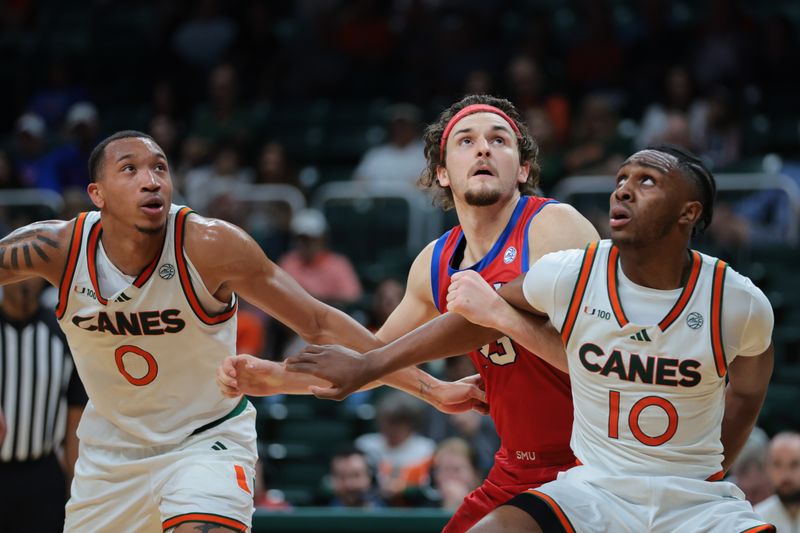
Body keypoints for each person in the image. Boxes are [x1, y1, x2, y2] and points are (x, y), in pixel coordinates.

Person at [0, 130, 482, 532]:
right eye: (130, 169)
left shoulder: (210, 244)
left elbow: (320, 322)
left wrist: (433, 388)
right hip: (109, 455)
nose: (151, 181)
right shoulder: (54, 248)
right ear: (96, 194)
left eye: (161, 168)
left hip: (204, 439)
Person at [284, 145, 775, 532]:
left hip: (694, 501)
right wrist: (370, 365)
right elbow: (475, 320)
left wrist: (712, 466)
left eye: (646, 181)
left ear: (688, 212)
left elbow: (750, 391)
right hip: (593, 491)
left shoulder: (737, 302)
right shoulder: (575, 273)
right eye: (621, 179)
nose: (623, 191)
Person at [225, 94, 599, 531]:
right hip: (517, 468)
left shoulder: (554, 226)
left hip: (595, 461)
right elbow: (376, 358)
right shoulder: (434, 264)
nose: (483, 148)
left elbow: (608, 366)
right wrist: (274, 379)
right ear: (442, 173)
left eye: (499, 140)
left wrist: (499, 315)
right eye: (466, 141)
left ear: (522, 170)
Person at [0, 277, 87, 533]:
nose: (23, 282)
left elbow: (76, 416)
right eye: (17, 274)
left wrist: (76, 483)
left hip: (43, 473)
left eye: (30, 273)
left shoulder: (61, 334)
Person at [755, 432, 800, 531]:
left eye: (795, 464)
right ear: (767, 468)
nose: (785, 474)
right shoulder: (757, 520)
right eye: (777, 464)